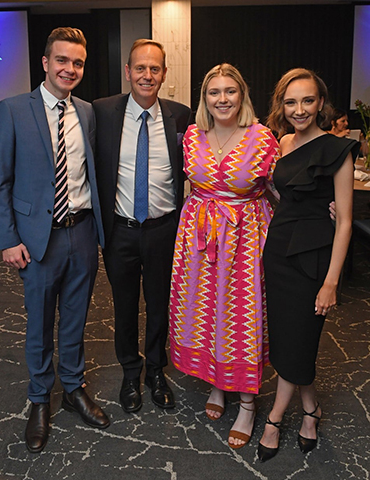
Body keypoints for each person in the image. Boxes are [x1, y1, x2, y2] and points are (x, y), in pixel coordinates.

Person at [0, 27, 110, 454]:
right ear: (45, 63)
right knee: (40, 324)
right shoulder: (12, 109)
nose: (70, 69)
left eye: (77, 62)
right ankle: (40, 399)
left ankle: (74, 389)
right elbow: (0, 181)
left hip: (82, 232)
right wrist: (7, 239)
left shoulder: (89, 112)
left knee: (75, 320)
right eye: (62, 60)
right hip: (37, 240)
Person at [169, 63, 280, 449]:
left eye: (230, 91)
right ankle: (219, 384)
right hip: (199, 238)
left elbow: (280, 188)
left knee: (240, 315)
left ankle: (247, 402)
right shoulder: (193, 136)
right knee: (205, 310)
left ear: (242, 95)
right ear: (205, 98)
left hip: (246, 238)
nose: (222, 99)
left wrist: (320, 207)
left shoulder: (262, 137)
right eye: (214, 92)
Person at [257, 68, 359, 462]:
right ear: (282, 106)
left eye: (308, 101)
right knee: (287, 338)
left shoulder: (338, 148)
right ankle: (311, 409)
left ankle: (276, 417)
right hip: (278, 250)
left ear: (321, 103)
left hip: (313, 258)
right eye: (291, 102)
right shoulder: (282, 142)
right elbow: (286, 197)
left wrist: (332, 282)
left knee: (299, 338)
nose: (300, 110)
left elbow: (346, 221)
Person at [93, 39, 192, 413]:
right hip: (119, 229)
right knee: (124, 305)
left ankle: (155, 370)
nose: (147, 75)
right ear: (128, 71)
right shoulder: (102, 112)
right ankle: (129, 372)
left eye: (155, 69)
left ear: (164, 73)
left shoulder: (182, 116)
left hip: (165, 230)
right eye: (140, 68)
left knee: (160, 303)